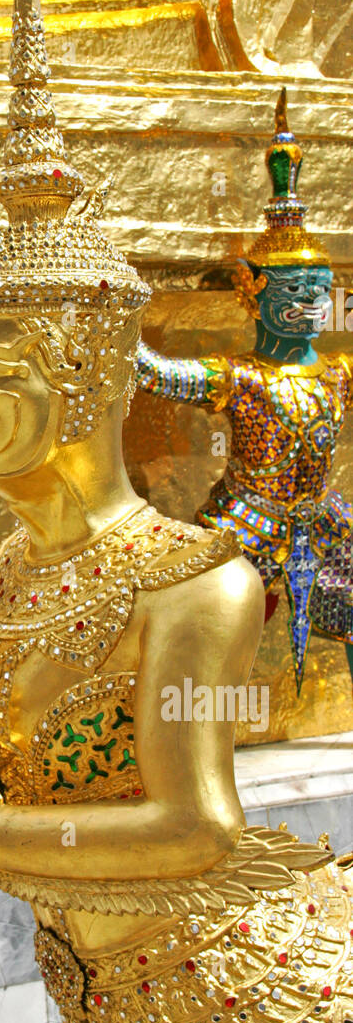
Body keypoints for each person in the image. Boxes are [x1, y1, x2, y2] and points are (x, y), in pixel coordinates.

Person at [0, 0, 353, 1023]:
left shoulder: (195, 582)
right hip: (106, 1013)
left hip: (249, 1018)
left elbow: (196, 829)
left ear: (83, 369)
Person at [137, 91, 353, 693]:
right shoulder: (241, 377)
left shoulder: (338, 371)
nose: (312, 301)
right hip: (244, 522)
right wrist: (112, 317)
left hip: (322, 518)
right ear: (252, 289)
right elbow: (156, 373)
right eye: (296, 286)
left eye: (321, 285)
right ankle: (199, 743)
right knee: (210, 630)